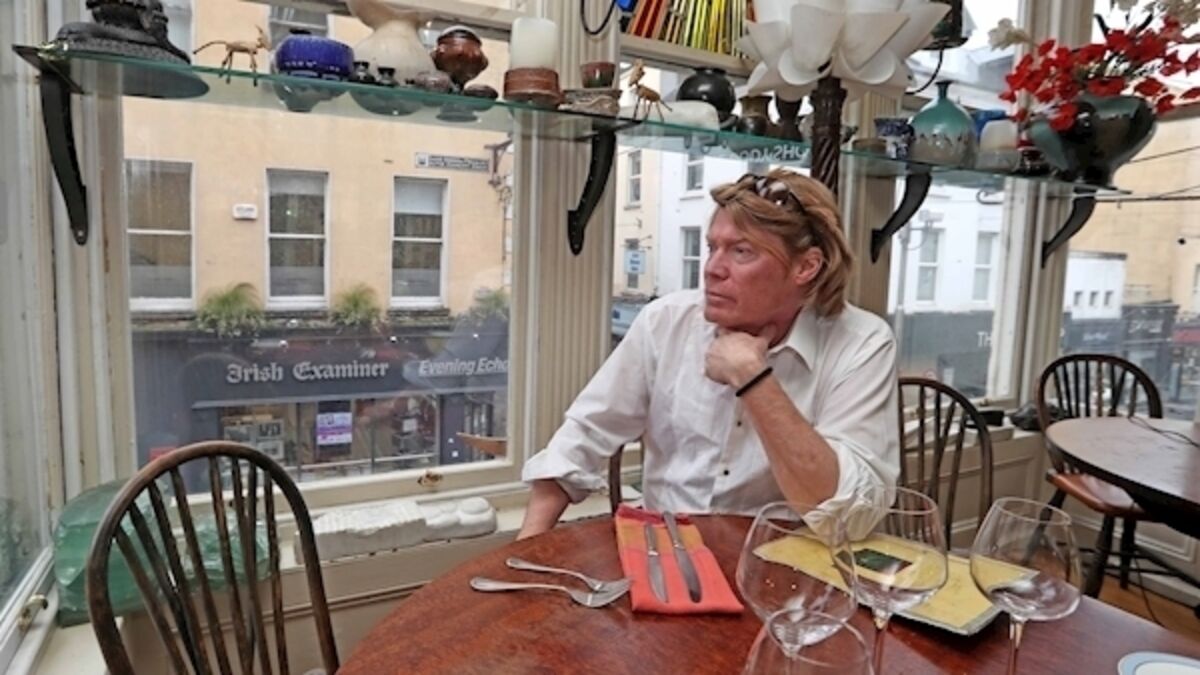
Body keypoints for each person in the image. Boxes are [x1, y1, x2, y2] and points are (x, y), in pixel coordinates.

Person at [518, 168, 899, 539]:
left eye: (742, 251)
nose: (712, 269)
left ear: (806, 266)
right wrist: (525, 550)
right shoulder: (666, 321)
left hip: (784, 564)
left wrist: (753, 379)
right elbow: (582, 437)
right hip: (667, 550)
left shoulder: (861, 343)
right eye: (712, 248)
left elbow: (850, 517)